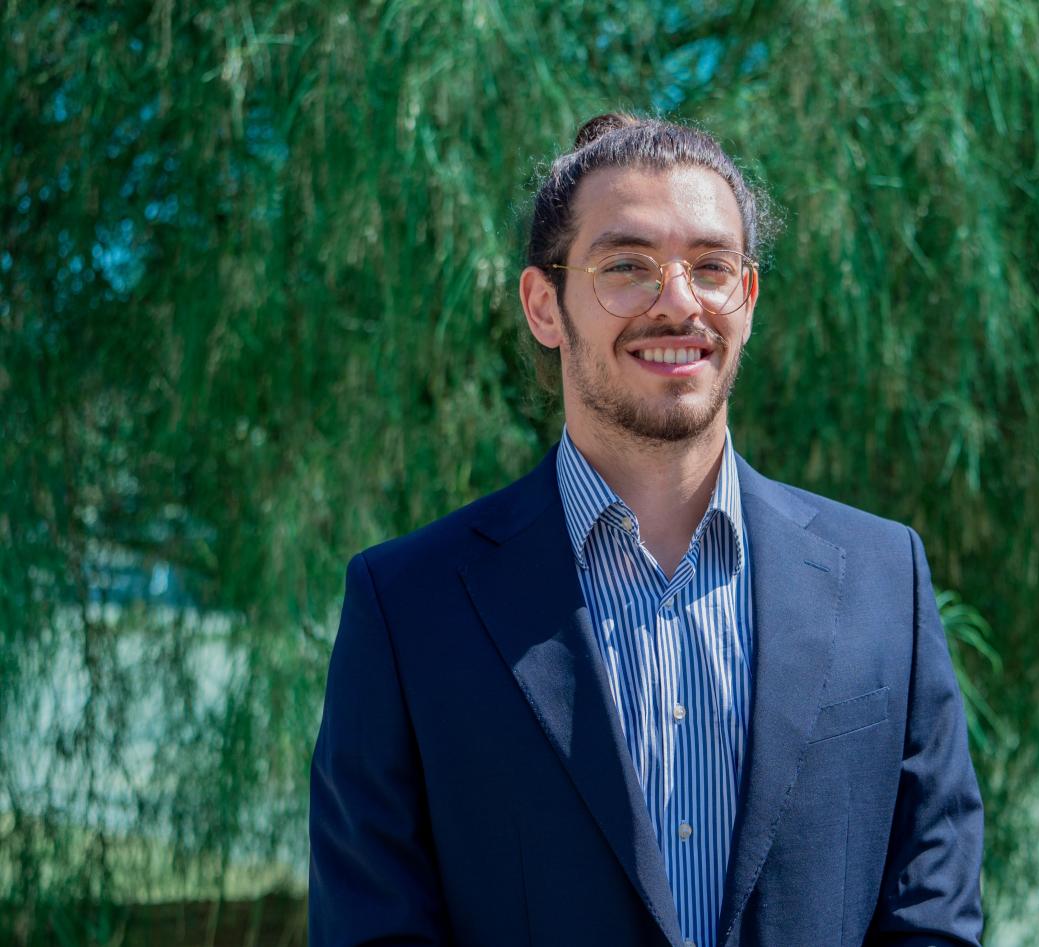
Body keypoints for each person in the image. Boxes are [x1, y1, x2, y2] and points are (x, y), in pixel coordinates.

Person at [308, 113, 984, 947]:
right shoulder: (409, 608)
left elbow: (931, 914)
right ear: (543, 305)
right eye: (626, 267)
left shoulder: (885, 580)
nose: (678, 302)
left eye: (711, 267)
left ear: (748, 299)